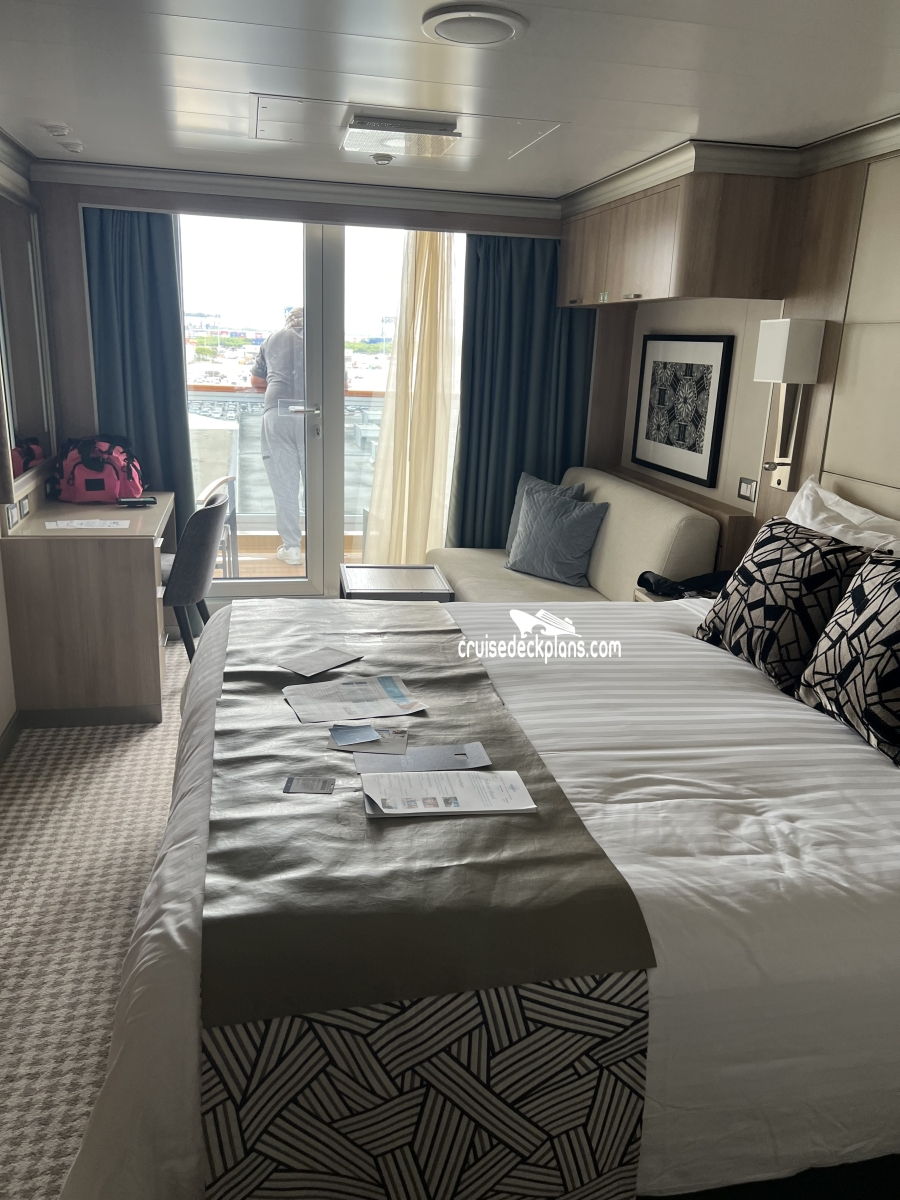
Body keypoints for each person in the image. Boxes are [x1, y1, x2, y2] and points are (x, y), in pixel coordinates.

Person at [250, 307, 306, 567]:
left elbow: (256, 380)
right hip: (314, 413)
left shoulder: (273, 339)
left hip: (278, 412)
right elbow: (340, 384)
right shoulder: (324, 338)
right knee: (317, 484)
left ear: (288, 322)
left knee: (285, 483)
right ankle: (322, 544)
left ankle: (292, 548)